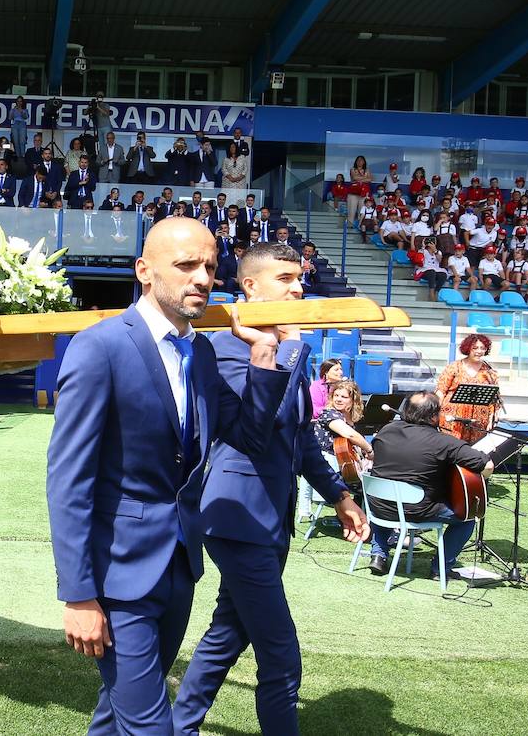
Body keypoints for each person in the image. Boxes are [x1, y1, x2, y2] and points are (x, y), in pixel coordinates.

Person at [47, 217, 297, 736]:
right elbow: (68, 481)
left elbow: (251, 436)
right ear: (144, 270)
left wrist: (264, 353)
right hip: (117, 577)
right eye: (185, 265)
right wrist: (78, 595)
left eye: (209, 266)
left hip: (179, 567)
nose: (201, 278)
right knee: (149, 726)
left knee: (116, 716)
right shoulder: (100, 348)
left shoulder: (200, 352)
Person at [174, 243, 367, 736]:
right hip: (236, 518)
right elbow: (259, 430)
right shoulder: (222, 350)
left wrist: (339, 496)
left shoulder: (282, 348)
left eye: (299, 278)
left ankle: (180, 725)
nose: (298, 287)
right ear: (251, 286)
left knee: (227, 633)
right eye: (285, 278)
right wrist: (288, 348)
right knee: (281, 654)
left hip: (271, 519)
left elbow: (299, 436)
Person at [365, 391, 494, 577]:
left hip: (377, 506)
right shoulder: (443, 442)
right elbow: (487, 465)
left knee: (389, 496)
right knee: (467, 518)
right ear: (435, 416)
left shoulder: (386, 430)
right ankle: (440, 568)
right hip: (417, 509)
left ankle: (379, 555)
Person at [436, 333, 500, 443]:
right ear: (468, 348)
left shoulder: (489, 372)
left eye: (482, 348)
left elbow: (494, 399)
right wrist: (435, 414)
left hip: (478, 422)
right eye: (475, 348)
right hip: (451, 420)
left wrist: (491, 419)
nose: (479, 351)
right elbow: (440, 391)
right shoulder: (454, 367)